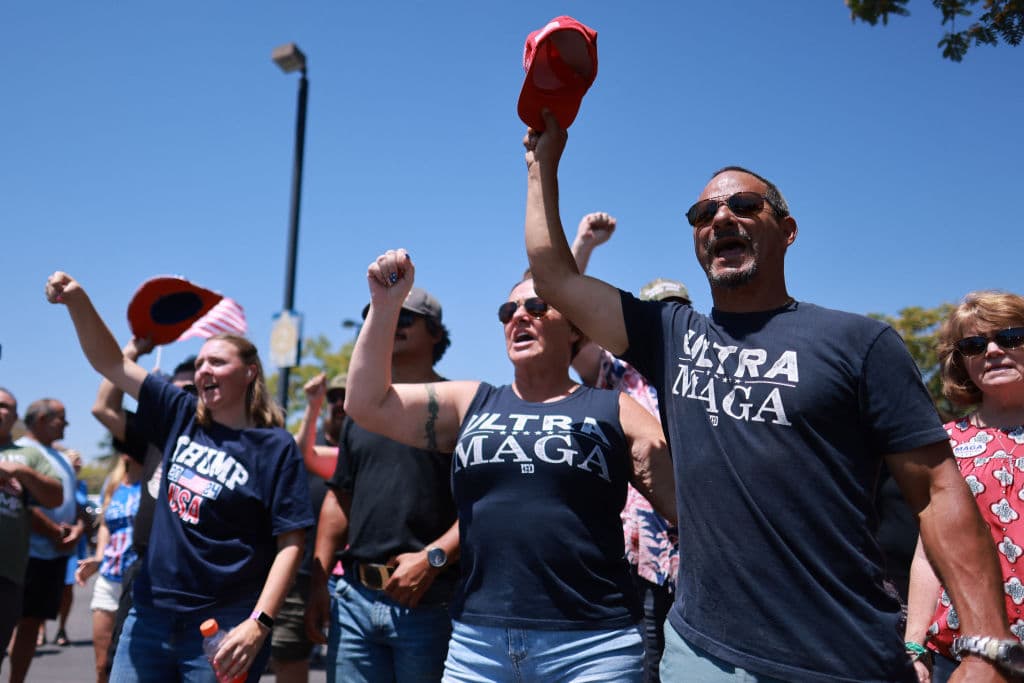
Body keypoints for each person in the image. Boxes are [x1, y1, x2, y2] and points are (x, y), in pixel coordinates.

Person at [521, 110, 1011, 682]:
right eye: (704, 214)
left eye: (745, 206)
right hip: (697, 655)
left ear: (788, 229)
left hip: (839, 659)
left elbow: (935, 489)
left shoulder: (859, 342)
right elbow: (553, 276)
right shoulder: (671, 335)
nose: (721, 216)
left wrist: (988, 645)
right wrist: (542, 165)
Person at [344, 249, 676, 682]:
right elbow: (366, 404)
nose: (520, 316)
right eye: (508, 310)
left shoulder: (614, 407)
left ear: (575, 327)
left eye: (537, 306)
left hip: (593, 647)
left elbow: (689, 508)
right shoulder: (471, 401)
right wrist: (386, 306)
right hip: (477, 646)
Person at [45, 271, 313, 683]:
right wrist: (78, 301)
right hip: (149, 616)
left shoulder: (274, 447)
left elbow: (291, 543)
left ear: (250, 373)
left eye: (218, 362)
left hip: (223, 626)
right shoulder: (181, 412)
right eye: (200, 361)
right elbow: (111, 363)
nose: (204, 369)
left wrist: (258, 623)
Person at [305, 287, 461, 683]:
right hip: (353, 602)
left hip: (430, 603)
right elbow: (339, 501)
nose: (393, 324)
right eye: (383, 316)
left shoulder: (460, 408)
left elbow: (486, 507)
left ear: (437, 333)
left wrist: (432, 560)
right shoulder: (359, 412)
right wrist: (319, 582)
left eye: (405, 317)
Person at [569, 210, 686, 683]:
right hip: (635, 548)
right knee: (643, 658)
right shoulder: (616, 372)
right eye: (658, 310)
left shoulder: (705, 372)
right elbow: (564, 308)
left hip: (699, 541)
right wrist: (584, 246)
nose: (668, 319)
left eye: (678, 308)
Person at [905, 292, 1024, 682]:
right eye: (974, 345)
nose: (992, 351)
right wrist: (914, 643)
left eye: (1009, 337)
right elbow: (928, 553)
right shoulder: (942, 444)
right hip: (959, 655)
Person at [91, 340, 197, 676]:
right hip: (147, 573)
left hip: (205, 580)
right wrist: (134, 351)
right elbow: (104, 409)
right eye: (174, 388)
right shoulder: (155, 435)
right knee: (121, 668)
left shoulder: (234, 441)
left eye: (192, 388)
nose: (182, 395)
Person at [9, 397, 84, 683]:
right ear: (41, 420)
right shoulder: (22, 454)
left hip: (54, 555)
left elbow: (70, 502)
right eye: (60, 418)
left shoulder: (60, 457)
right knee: (13, 622)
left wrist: (77, 528)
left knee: (31, 624)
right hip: (29, 554)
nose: (65, 424)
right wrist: (54, 532)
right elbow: (23, 504)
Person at [0, 387, 63, 677]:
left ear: (16, 417)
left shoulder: (26, 455)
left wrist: (20, 473)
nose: (1, 411)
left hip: (9, 573)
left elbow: (55, 497)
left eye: (6, 407)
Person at [76, 449, 142, 683]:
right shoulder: (114, 485)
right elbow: (105, 524)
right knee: (103, 665)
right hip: (109, 578)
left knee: (132, 663)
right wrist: (99, 557)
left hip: (139, 582)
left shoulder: (155, 482)